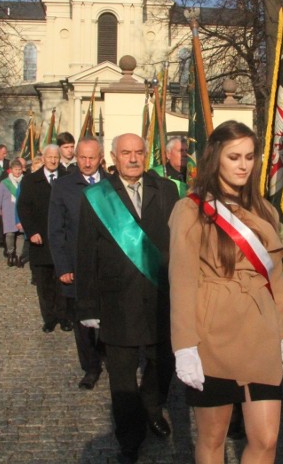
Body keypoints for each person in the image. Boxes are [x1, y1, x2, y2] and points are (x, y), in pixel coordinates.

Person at [169, 121, 283, 464]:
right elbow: (181, 281)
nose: (243, 165)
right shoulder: (191, 210)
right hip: (213, 334)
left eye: (249, 157)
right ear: (215, 159)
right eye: (234, 156)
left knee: (266, 439)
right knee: (213, 439)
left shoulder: (265, 209)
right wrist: (184, 346)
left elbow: (276, 279)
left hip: (260, 332)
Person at [76, 133, 179, 464]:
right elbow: (85, 252)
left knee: (163, 365)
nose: (133, 158)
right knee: (121, 379)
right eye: (125, 153)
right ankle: (129, 437)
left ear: (147, 155)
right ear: (113, 157)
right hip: (117, 301)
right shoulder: (96, 196)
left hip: (161, 297)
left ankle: (152, 407)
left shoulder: (167, 190)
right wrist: (89, 307)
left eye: (138, 152)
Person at [48, 138, 107, 390]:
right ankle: (90, 367)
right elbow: (56, 230)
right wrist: (63, 267)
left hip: (107, 266)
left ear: (101, 158)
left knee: (109, 317)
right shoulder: (63, 186)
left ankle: (110, 356)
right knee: (82, 322)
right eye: (82, 157)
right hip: (76, 265)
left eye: (91, 158)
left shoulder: (112, 185)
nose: (86, 162)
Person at [17, 144, 69, 333]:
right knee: (44, 283)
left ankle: (64, 317)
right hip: (40, 240)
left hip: (62, 240)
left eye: (56, 157)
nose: (53, 160)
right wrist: (31, 232)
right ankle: (49, 318)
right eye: (50, 157)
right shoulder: (31, 181)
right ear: (44, 158)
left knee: (62, 281)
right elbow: (23, 208)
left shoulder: (67, 179)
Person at [0, 159, 25, 267]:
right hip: (9, 212)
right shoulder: (4, 183)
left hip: (21, 212)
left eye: (20, 169)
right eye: (16, 169)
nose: (18, 172)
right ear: (11, 170)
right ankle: (11, 254)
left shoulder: (25, 181)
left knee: (20, 234)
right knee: (10, 234)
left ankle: (19, 256)